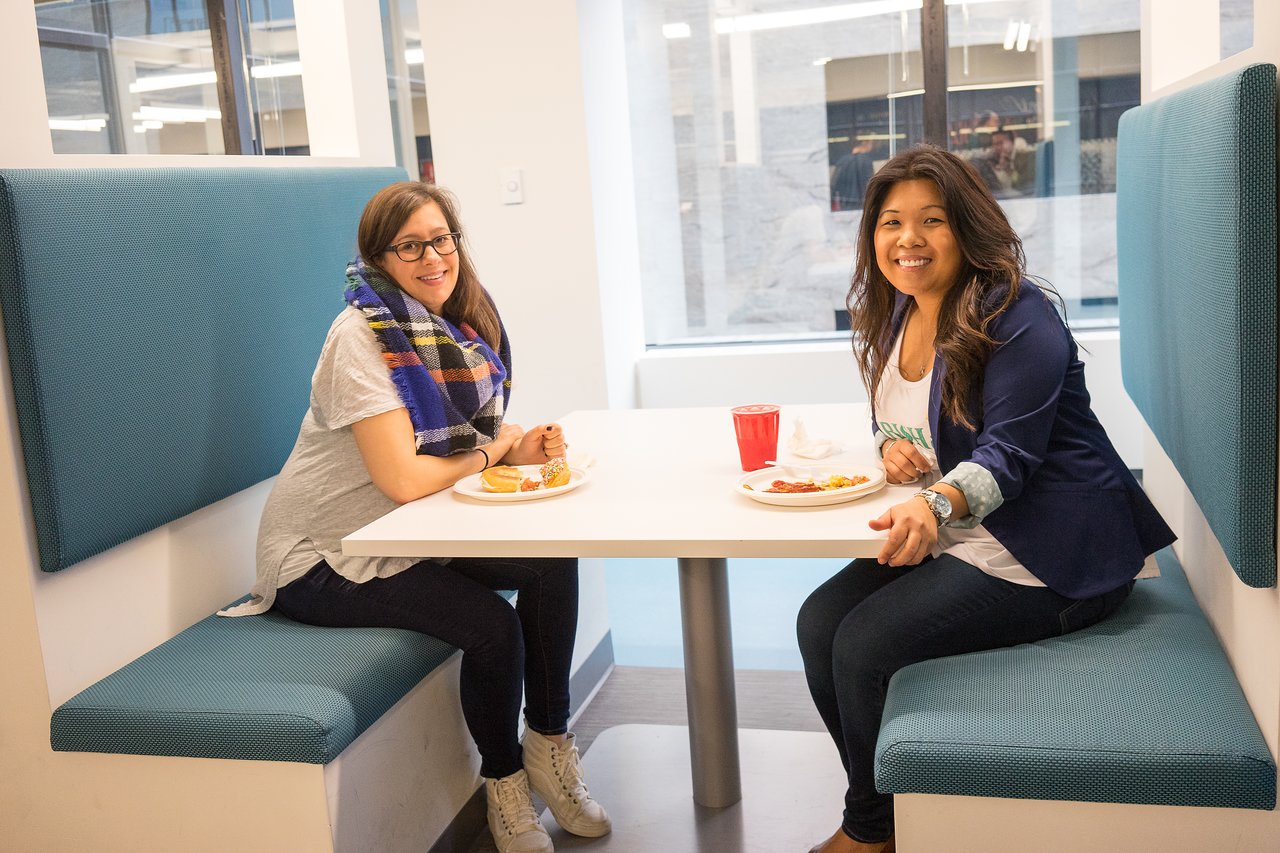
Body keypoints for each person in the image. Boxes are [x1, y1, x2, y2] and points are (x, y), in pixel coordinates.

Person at [796, 145, 1174, 853]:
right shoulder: (895, 313)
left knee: (862, 643)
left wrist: (934, 502)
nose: (908, 239)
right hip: (967, 534)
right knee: (819, 622)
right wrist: (887, 447)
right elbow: (897, 412)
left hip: (1054, 551)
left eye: (931, 220)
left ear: (965, 228)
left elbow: (1011, 454)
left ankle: (871, 830)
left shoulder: (1015, 313)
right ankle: (884, 807)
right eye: (891, 222)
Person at [218, 181, 611, 853]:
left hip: (404, 535)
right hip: (320, 556)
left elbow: (447, 447)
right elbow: (403, 479)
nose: (432, 257)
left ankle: (550, 747)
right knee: (491, 626)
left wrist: (511, 446)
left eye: (441, 239)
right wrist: (492, 451)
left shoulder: (454, 325)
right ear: (379, 260)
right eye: (409, 246)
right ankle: (505, 787)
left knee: (552, 558)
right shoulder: (361, 337)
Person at [973, 128, 1034, 198]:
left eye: (1001, 143)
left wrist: (1008, 170)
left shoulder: (1024, 158)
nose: (997, 147)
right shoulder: (992, 158)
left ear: (1012, 142)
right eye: (994, 144)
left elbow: (1024, 187)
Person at [831, 138, 876, 211]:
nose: (872, 147)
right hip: (862, 202)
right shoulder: (866, 161)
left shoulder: (842, 161)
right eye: (871, 144)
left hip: (845, 202)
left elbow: (835, 183)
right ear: (864, 143)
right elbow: (871, 183)